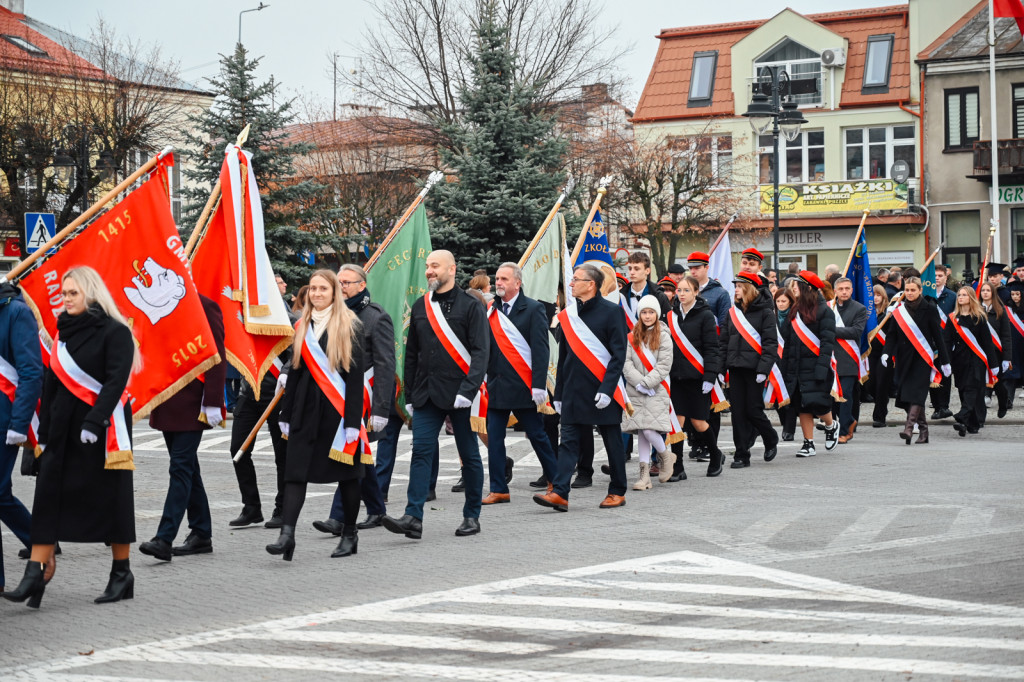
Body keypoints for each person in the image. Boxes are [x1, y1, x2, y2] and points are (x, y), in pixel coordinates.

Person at [4, 267, 136, 608]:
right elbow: (51, 386)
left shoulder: (115, 331)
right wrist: (43, 434)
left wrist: (95, 421)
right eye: (63, 294)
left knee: (112, 500)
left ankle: (121, 573)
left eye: (73, 293)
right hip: (62, 429)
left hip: (101, 430)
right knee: (47, 497)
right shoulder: (62, 332)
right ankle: (35, 573)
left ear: (91, 293)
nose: (66, 299)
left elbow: (115, 381)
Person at [383, 251, 488, 539]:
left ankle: (471, 516)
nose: (429, 271)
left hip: (461, 395)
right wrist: (410, 396)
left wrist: (469, 390)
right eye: (427, 266)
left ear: (452, 269)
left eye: (435, 266)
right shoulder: (421, 306)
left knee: (469, 455)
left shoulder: (471, 306)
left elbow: (481, 352)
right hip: (426, 395)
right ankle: (413, 517)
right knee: (421, 452)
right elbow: (412, 354)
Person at [271, 269, 365, 560]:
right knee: (294, 473)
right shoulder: (302, 326)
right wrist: (286, 412)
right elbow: (296, 371)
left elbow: (355, 378)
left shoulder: (350, 325)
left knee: (347, 476)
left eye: (323, 288)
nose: (317, 294)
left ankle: (349, 533)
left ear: (335, 292)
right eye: (312, 289)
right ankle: (287, 535)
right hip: (304, 411)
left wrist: (352, 421)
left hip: (336, 413)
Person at [534, 263, 629, 511]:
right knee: (568, 442)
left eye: (577, 279)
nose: (572, 283)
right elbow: (564, 356)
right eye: (572, 279)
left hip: (601, 390)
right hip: (575, 390)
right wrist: (560, 393)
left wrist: (608, 389)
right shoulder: (569, 315)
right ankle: (561, 493)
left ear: (591, 285)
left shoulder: (612, 312)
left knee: (612, 442)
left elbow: (619, 356)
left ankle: (617, 490)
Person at [139, 294, 226, 562]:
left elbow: (216, 353)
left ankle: (164, 538)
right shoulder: (156, 302)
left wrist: (212, 400)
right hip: (167, 397)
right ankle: (201, 533)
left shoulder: (203, 305)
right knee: (188, 468)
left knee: (180, 467)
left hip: (192, 400)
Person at [312, 264, 398, 534]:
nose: (343, 287)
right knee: (358, 451)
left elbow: (386, 365)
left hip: (364, 395)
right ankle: (376, 508)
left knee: (347, 448)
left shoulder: (375, 317)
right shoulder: (332, 315)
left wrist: (382, 408)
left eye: (348, 282)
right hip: (338, 394)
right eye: (340, 282)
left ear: (362, 285)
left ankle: (338, 518)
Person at [480, 262, 556, 504]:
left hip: (524, 385)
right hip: (497, 385)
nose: (498, 283)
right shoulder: (492, 309)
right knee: (494, 437)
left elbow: (541, 350)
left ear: (517, 283)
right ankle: (499, 488)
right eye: (497, 279)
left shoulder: (532, 309)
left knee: (537, 435)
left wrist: (538, 385)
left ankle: (557, 481)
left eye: (503, 279)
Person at [0, 281, 43, 598]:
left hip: (5, 420)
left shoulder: (16, 312)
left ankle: (41, 548)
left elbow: (30, 371)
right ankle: (42, 546)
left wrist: (19, 423)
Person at [666, 275, 723, 478]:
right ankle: (678, 467)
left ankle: (715, 455)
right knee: (677, 423)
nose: (681, 294)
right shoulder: (671, 316)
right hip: (677, 379)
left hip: (698, 378)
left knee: (699, 423)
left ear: (696, 292)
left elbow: (712, 348)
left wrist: (710, 376)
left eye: (686, 290)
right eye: (679, 290)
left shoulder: (705, 315)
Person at [719, 272, 779, 468]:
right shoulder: (732, 312)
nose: (735, 289)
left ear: (749, 288)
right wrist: (721, 368)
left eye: (738, 286)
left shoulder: (766, 313)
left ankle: (770, 438)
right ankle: (741, 454)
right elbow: (724, 343)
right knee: (737, 413)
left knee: (753, 410)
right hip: (735, 369)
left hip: (755, 370)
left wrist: (764, 369)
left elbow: (770, 344)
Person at [882, 276, 950, 445]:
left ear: (920, 290)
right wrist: (886, 353)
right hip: (904, 359)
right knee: (907, 395)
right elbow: (892, 336)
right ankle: (924, 431)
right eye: (907, 290)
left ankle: (909, 428)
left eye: (913, 290)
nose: (910, 293)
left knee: (917, 393)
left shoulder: (930, 309)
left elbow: (938, 337)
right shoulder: (899, 311)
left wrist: (945, 360)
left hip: (923, 358)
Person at [780, 270, 840, 457]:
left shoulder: (825, 311)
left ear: (807, 288)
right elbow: (788, 341)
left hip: (815, 367)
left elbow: (827, 343)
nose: (794, 288)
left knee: (819, 405)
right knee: (801, 406)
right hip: (796, 367)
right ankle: (809, 443)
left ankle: (831, 425)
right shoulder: (794, 310)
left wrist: (822, 369)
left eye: (797, 285)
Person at [621, 295, 673, 490]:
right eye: (644, 312)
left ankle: (665, 455)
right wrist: (639, 383)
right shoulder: (632, 335)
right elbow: (626, 363)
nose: (648, 316)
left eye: (651, 312)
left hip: (657, 390)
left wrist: (648, 383)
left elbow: (664, 364)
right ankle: (644, 477)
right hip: (635, 390)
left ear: (657, 314)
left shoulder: (664, 336)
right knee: (642, 431)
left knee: (650, 429)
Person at [946, 287, 998, 437]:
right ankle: (970, 423)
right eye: (959, 295)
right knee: (963, 389)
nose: (961, 297)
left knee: (972, 388)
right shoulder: (953, 318)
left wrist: (993, 364)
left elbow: (988, 343)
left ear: (971, 298)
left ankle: (962, 416)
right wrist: (946, 361)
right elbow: (947, 341)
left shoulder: (979, 318)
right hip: (959, 360)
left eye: (964, 295)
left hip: (976, 360)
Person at [831, 278, 867, 444]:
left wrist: (831, 330)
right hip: (830, 358)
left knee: (845, 396)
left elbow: (855, 332)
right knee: (832, 397)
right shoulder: (828, 307)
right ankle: (847, 421)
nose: (844, 291)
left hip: (848, 359)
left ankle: (844, 431)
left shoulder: (859, 309)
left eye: (847, 288)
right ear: (835, 291)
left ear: (852, 290)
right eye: (841, 289)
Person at [979, 282, 1013, 419]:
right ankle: (980, 416)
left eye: (988, 290)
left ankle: (1003, 402)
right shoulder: (976, 309)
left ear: (993, 293)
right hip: (980, 352)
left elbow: (1006, 336)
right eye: (983, 290)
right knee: (981, 384)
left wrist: (1007, 357)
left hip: (996, 353)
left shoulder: (1000, 310)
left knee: (997, 382)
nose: (985, 293)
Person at [929, 265, 957, 420]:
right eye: (935, 276)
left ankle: (944, 406)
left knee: (945, 375)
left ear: (946, 277)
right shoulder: (927, 296)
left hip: (946, 343)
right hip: (930, 343)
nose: (937, 278)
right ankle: (936, 406)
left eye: (940, 275)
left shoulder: (952, 296)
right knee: (932, 375)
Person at [772, 287, 797, 441]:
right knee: (776, 400)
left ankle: (789, 429)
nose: (780, 304)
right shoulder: (771, 317)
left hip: (791, 360)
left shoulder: (795, 317)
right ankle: (784, 424)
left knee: (790, 397)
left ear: (790, 302)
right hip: (775, 362)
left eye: (784, 301)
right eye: (778, 301)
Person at [869, 285, 893, 428]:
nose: (875, 297)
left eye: (878, 295)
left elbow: (891, 335)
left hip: (884, 353)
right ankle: (881, 402)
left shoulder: (888, 314)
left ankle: (879, 416)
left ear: (883, 297)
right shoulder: (867, 313)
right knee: (870, 384)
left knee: (881, 385)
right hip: (871, 353)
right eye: (873, 295)